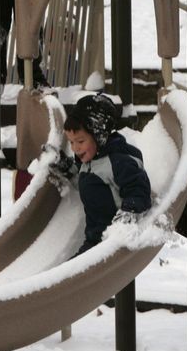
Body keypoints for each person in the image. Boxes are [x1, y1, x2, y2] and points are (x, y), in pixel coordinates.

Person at [57, 94, 152, 255]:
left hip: (112, 242)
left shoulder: (119, 162)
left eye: (80, 141)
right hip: (94, 239)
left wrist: (129, 213)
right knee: (72, 272)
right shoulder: (89, 161)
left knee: (79, 274)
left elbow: (139, 189)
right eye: (71, 142)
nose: (75, 148)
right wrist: (69, 171)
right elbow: (89, 183)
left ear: (99, 137)